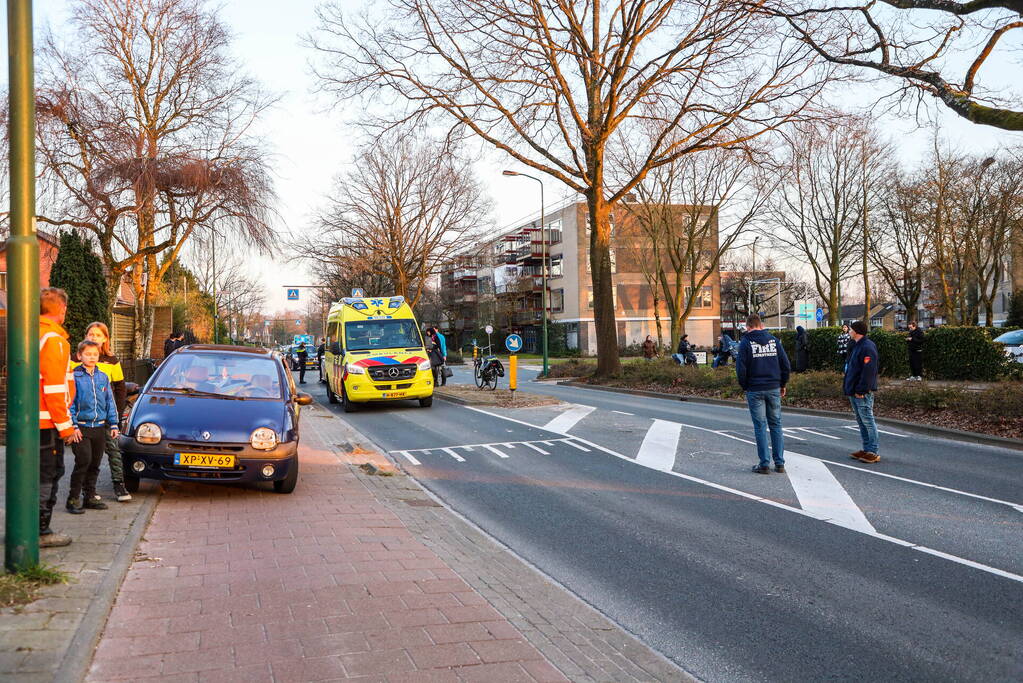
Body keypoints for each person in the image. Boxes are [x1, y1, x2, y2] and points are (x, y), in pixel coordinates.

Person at [71, 322, 131, 502]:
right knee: (86, 458)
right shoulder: (76, 361)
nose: (94, 337)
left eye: (98, 335)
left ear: (105, 338)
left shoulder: (112, 361)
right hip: (84, 418)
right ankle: (86, 490)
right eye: (91, 334)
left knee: (113, 450)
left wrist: (116, 416)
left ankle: (118, 484)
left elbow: (119, 388)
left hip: (106, 414)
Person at [39, 288, 76, 547]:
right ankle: (41, 531)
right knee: (48, 474)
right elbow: (54, 388)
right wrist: (66, 428)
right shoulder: (54, 339)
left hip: (34, 419)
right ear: (61, 309)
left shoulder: (33, 333)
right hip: (47, 422)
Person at [67, 341, 120, 514]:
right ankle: (73, 498)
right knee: (83, 461)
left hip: (99, 427)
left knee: (95, 463)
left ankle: (89, 496)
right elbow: (70, 404)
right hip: (81, 428)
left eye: (95, 354)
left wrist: (113, 423)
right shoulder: (74, 376)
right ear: (80, 356)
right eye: (88, 354)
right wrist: (73, 425)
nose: (91, 357)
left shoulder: (103, 376)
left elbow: (109, 401)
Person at [736, 314, 790, 474]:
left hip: (755, 389)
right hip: (773, 387)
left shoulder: (746, 343)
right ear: (761, 325)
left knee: (760, 426)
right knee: (776, 425)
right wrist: (783, 384)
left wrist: (745, 386)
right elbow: (785, 365)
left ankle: (764, 463)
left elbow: (741, 369)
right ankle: (779, 463)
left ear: (748, 327)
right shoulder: (774, 341)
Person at [845, 320, 881, 464]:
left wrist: (862, 389)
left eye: (851, 329)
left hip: (862, 391)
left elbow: (868, 371)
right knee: (861, 421)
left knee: (867, 420)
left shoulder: (867, 347)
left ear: (856, 331)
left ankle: (873, 450)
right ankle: (866, 449)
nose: (849, 331)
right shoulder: (857, 346)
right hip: (855, 390)